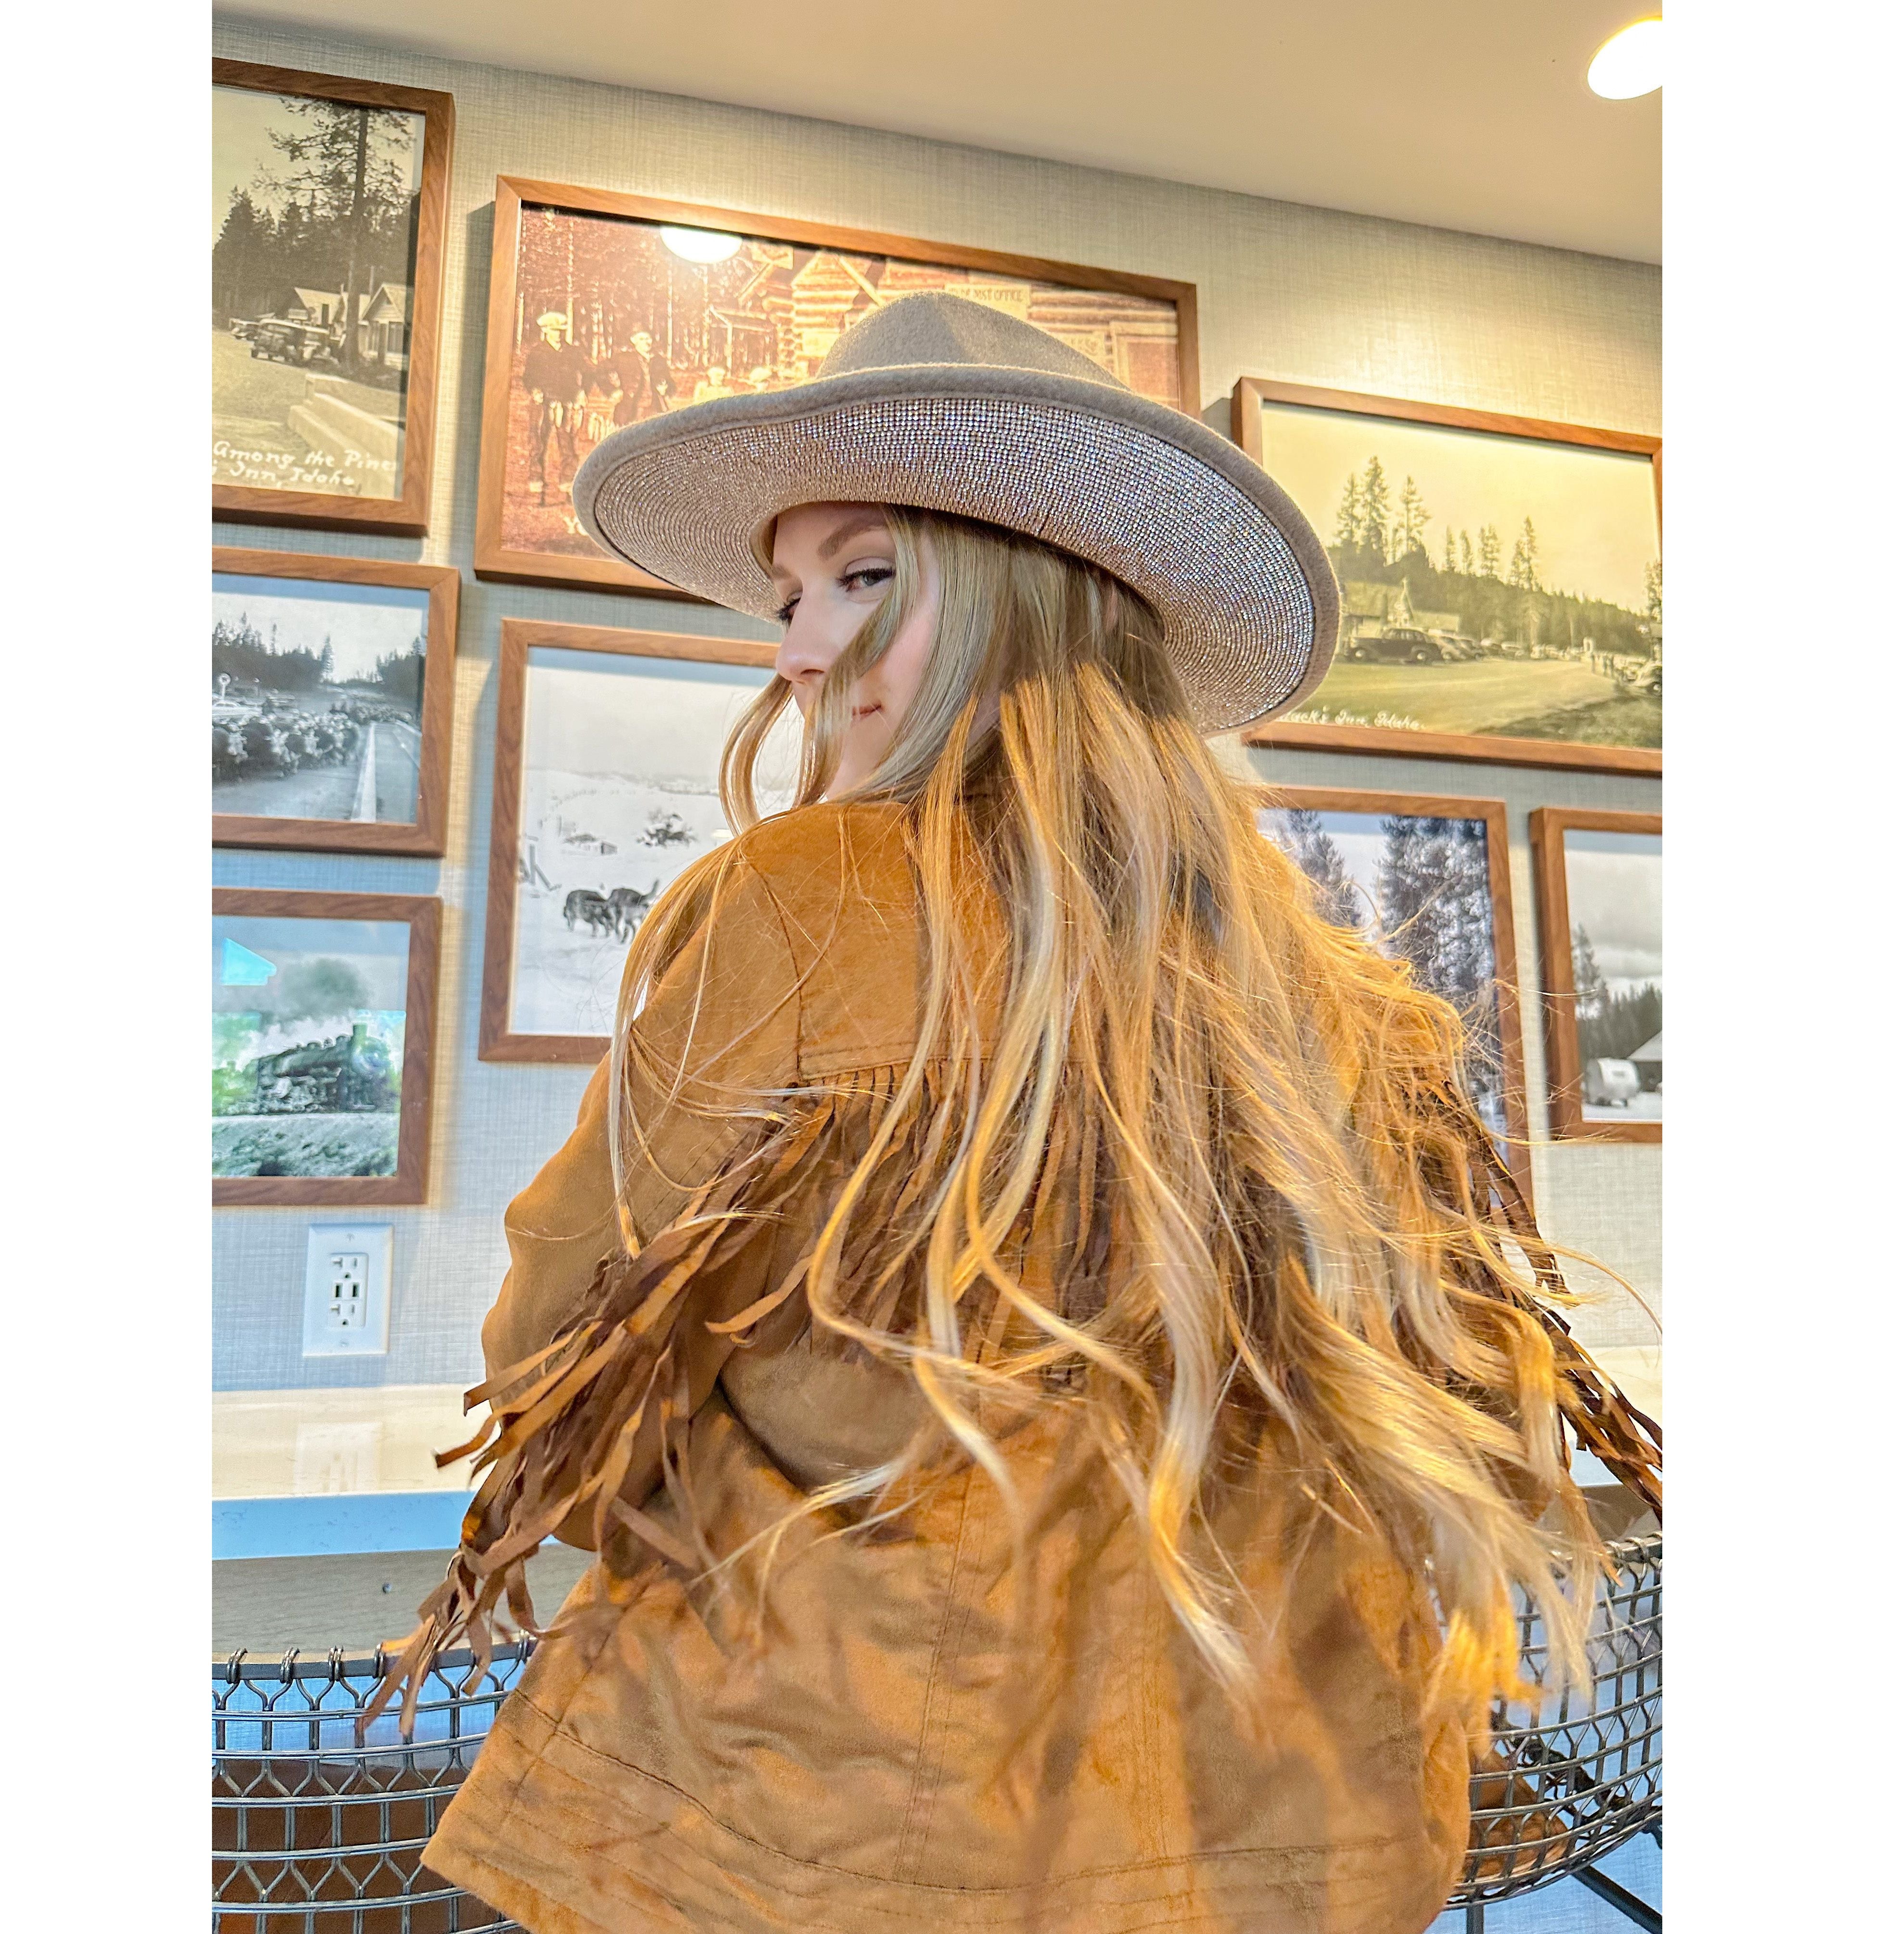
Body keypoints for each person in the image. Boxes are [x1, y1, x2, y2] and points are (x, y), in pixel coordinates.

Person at [377, 294, 1660, 1934]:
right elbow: (1473, 1416)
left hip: (840, 1834)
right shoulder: (1346, 998)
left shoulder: (796, 902)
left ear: (1023, 598)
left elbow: (559, 1378)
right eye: (790, 594)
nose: (794, 652)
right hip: (1301, 1829)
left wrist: (786, 1534)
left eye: (861, 577)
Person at [521, 310, 596, 503]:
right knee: (537, 446)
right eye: (554, 330)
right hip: (543, 406)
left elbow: (589, 372)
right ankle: (537, 490)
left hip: (566, 405)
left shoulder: (573, 352)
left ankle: (568, 489)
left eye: (560, 330)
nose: (558, 334)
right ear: (545, 331)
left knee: (568, 447)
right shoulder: (537, 353)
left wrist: (582, 392)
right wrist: (534, 390)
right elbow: (528, 377)